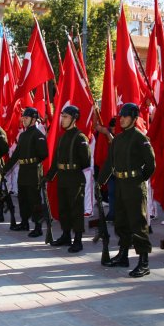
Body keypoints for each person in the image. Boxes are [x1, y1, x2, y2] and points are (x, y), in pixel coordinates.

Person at [98, 102, 155, 278]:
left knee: (138, 224)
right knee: (121, 222)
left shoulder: (140, 138)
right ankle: (123, 255)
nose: (121, 119)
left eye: (125, 116)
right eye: (120, 116)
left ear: (134, 118)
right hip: (120, 184)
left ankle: (144, 262)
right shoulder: (118, 139)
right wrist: (100, 182)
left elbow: (151, 164)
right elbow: (110, 163)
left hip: (134, 185)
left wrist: (139, 179)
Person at [45, 105, 91, 250]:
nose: (62, 119)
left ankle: (78, 240)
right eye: (62, 116)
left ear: (74, 119)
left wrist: (72, 167)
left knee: (76, 209)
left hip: (75, 178)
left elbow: (86, 161)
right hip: (63, 177)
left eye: (65, 117)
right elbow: (56, 161)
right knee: (63, 208)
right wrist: (48, 177)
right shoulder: (62, 137)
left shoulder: (80, 137)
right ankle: (66, 236)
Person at [3, 107, 48, 232]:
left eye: (26, 118)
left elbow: (43, 153)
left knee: (34, 199)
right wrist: (5, 169)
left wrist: (33, 162)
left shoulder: (38, 135)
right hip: (23, 170)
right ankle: (24, 223)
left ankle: (38, 227)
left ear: (33, 119)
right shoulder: (22, 135)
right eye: (23, 118)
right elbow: (16, 155)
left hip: (33, 171)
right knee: (22, 199)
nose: (23, 120)